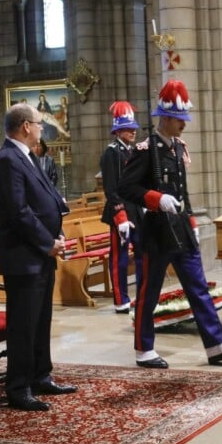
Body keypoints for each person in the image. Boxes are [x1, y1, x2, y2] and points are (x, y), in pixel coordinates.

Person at [118, 80, 222, 369]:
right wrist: (154, 198)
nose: (184, 125)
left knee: (198, 286)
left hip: (180, 229)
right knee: (148, 292)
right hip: (156, 232)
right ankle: (144, 349)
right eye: (179, 120)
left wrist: (191, 220)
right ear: (165, 118)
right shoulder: (145, 149)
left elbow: (183, 192)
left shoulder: (178, 148)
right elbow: (125, 187)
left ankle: (216, 345)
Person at [0, 102, 76, 411]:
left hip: (39, 252)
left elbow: (48, 199)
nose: (42, 128)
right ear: (26, 126)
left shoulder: (25, 156)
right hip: (24, 256)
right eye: (39, 123)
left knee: (40, 320)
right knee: (24, 324)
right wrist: (46, 241)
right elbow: (18, 212)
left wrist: (58, 233)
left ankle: (41, 375)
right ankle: (18, 387)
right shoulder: (7, 160)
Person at [100, 101, 144, 314]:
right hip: (122, 214)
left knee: (142, 255)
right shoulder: (112, 153)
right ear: (118, 130)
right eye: (129, 129)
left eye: (134, 128)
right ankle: (121, 300)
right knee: (120, 259)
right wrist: (121, 216)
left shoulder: (134, 151)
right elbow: (111, 188)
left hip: (137, 212)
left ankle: (142, 295)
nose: (133, 132)